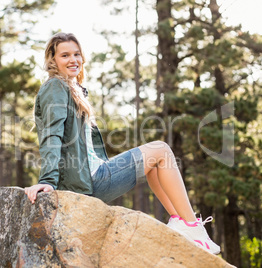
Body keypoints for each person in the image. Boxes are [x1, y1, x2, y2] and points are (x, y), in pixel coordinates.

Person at [24, 32, 220, 255]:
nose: (73, 60)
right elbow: (52, 135)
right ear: (53, 60)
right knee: (161, 150)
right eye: (65, 55)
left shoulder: (72, 90)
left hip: (89, 177)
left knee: (157, 164)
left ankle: (180, 223)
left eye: (77, 54)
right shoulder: (55, 87)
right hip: (87, 181)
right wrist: (47, 181)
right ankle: (194, 227)